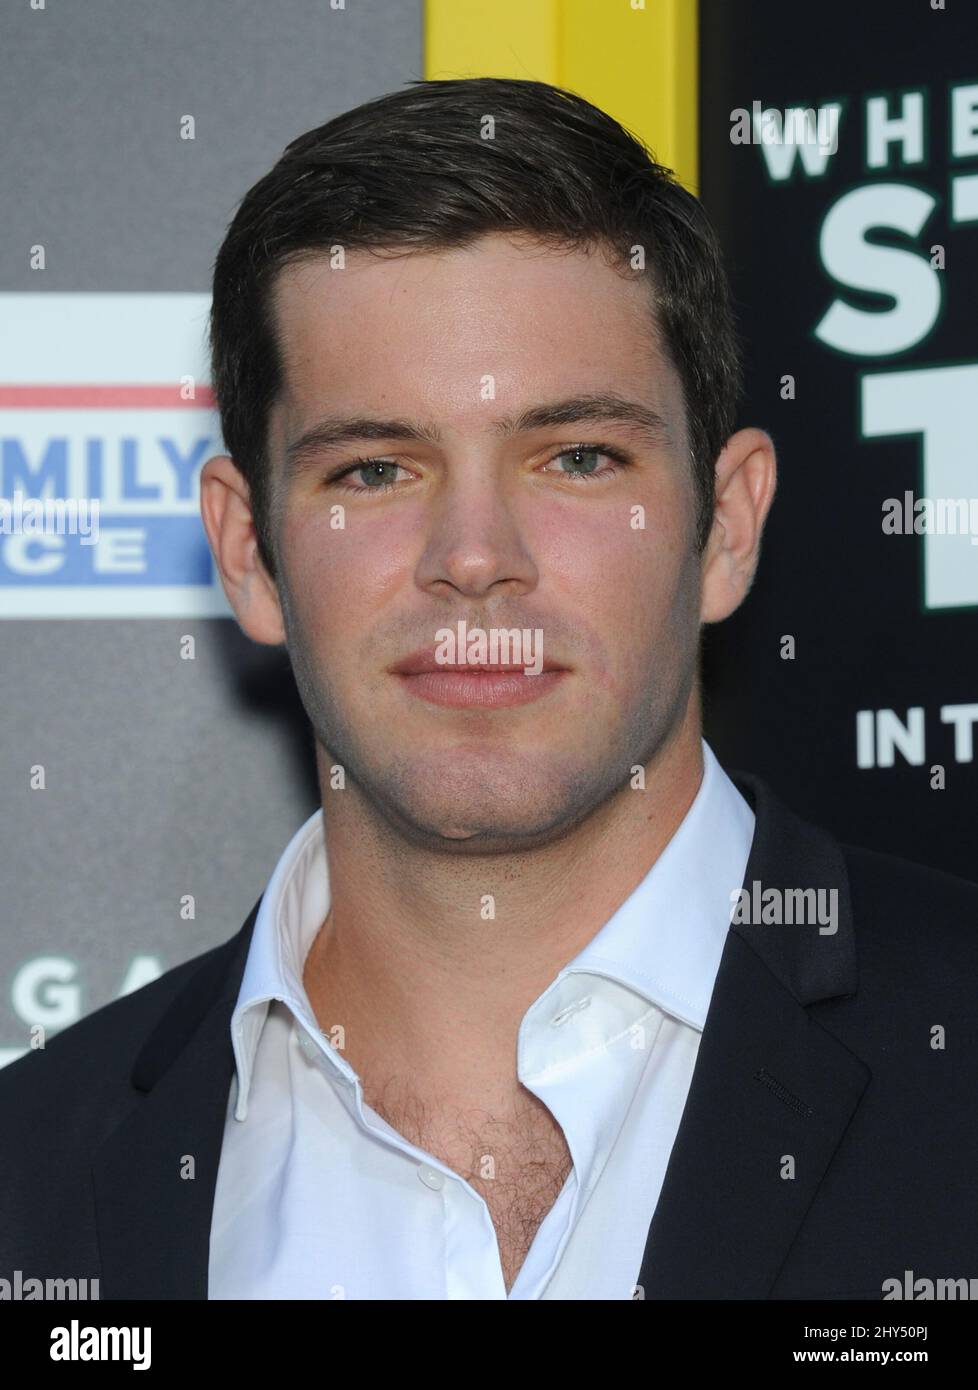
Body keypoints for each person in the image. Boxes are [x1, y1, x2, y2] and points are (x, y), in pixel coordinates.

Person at [2, 77, 976, 1302]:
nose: (473, 554)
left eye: (576, 456)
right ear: (247, 550)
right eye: (373, 468)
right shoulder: (28, 1175)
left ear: (725, 525)